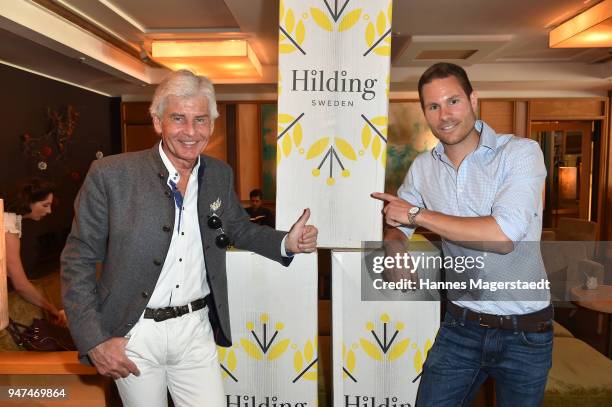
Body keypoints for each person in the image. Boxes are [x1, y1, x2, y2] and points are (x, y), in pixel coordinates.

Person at [61, 69, 318, 407]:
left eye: (201, 120)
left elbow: (237, 227)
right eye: (178, 118)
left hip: (195, 330)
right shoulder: (112, 175)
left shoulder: (218, 174)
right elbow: (77, 259)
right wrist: (94, 340)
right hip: (134, 332)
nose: (191, 131)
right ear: (157, 121)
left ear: (211, 124)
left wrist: (287, 242)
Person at [372, 62, 551, 406]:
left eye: (453, 101)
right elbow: (397, 226)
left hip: (525, 332)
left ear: (473, 99)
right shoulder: (424, 167)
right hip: (461, 326)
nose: (445, 115)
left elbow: (503, 237)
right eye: (433, 106)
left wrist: (415, 213)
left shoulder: (520, 153)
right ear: (424, 112)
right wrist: (395, 249)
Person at [3, 179, 67, 327]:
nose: (49, 211)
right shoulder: (7, 228)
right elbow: (20, 285)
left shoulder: (10, 219)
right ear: (28, 202)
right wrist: (52, 309)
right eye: (45, 205)